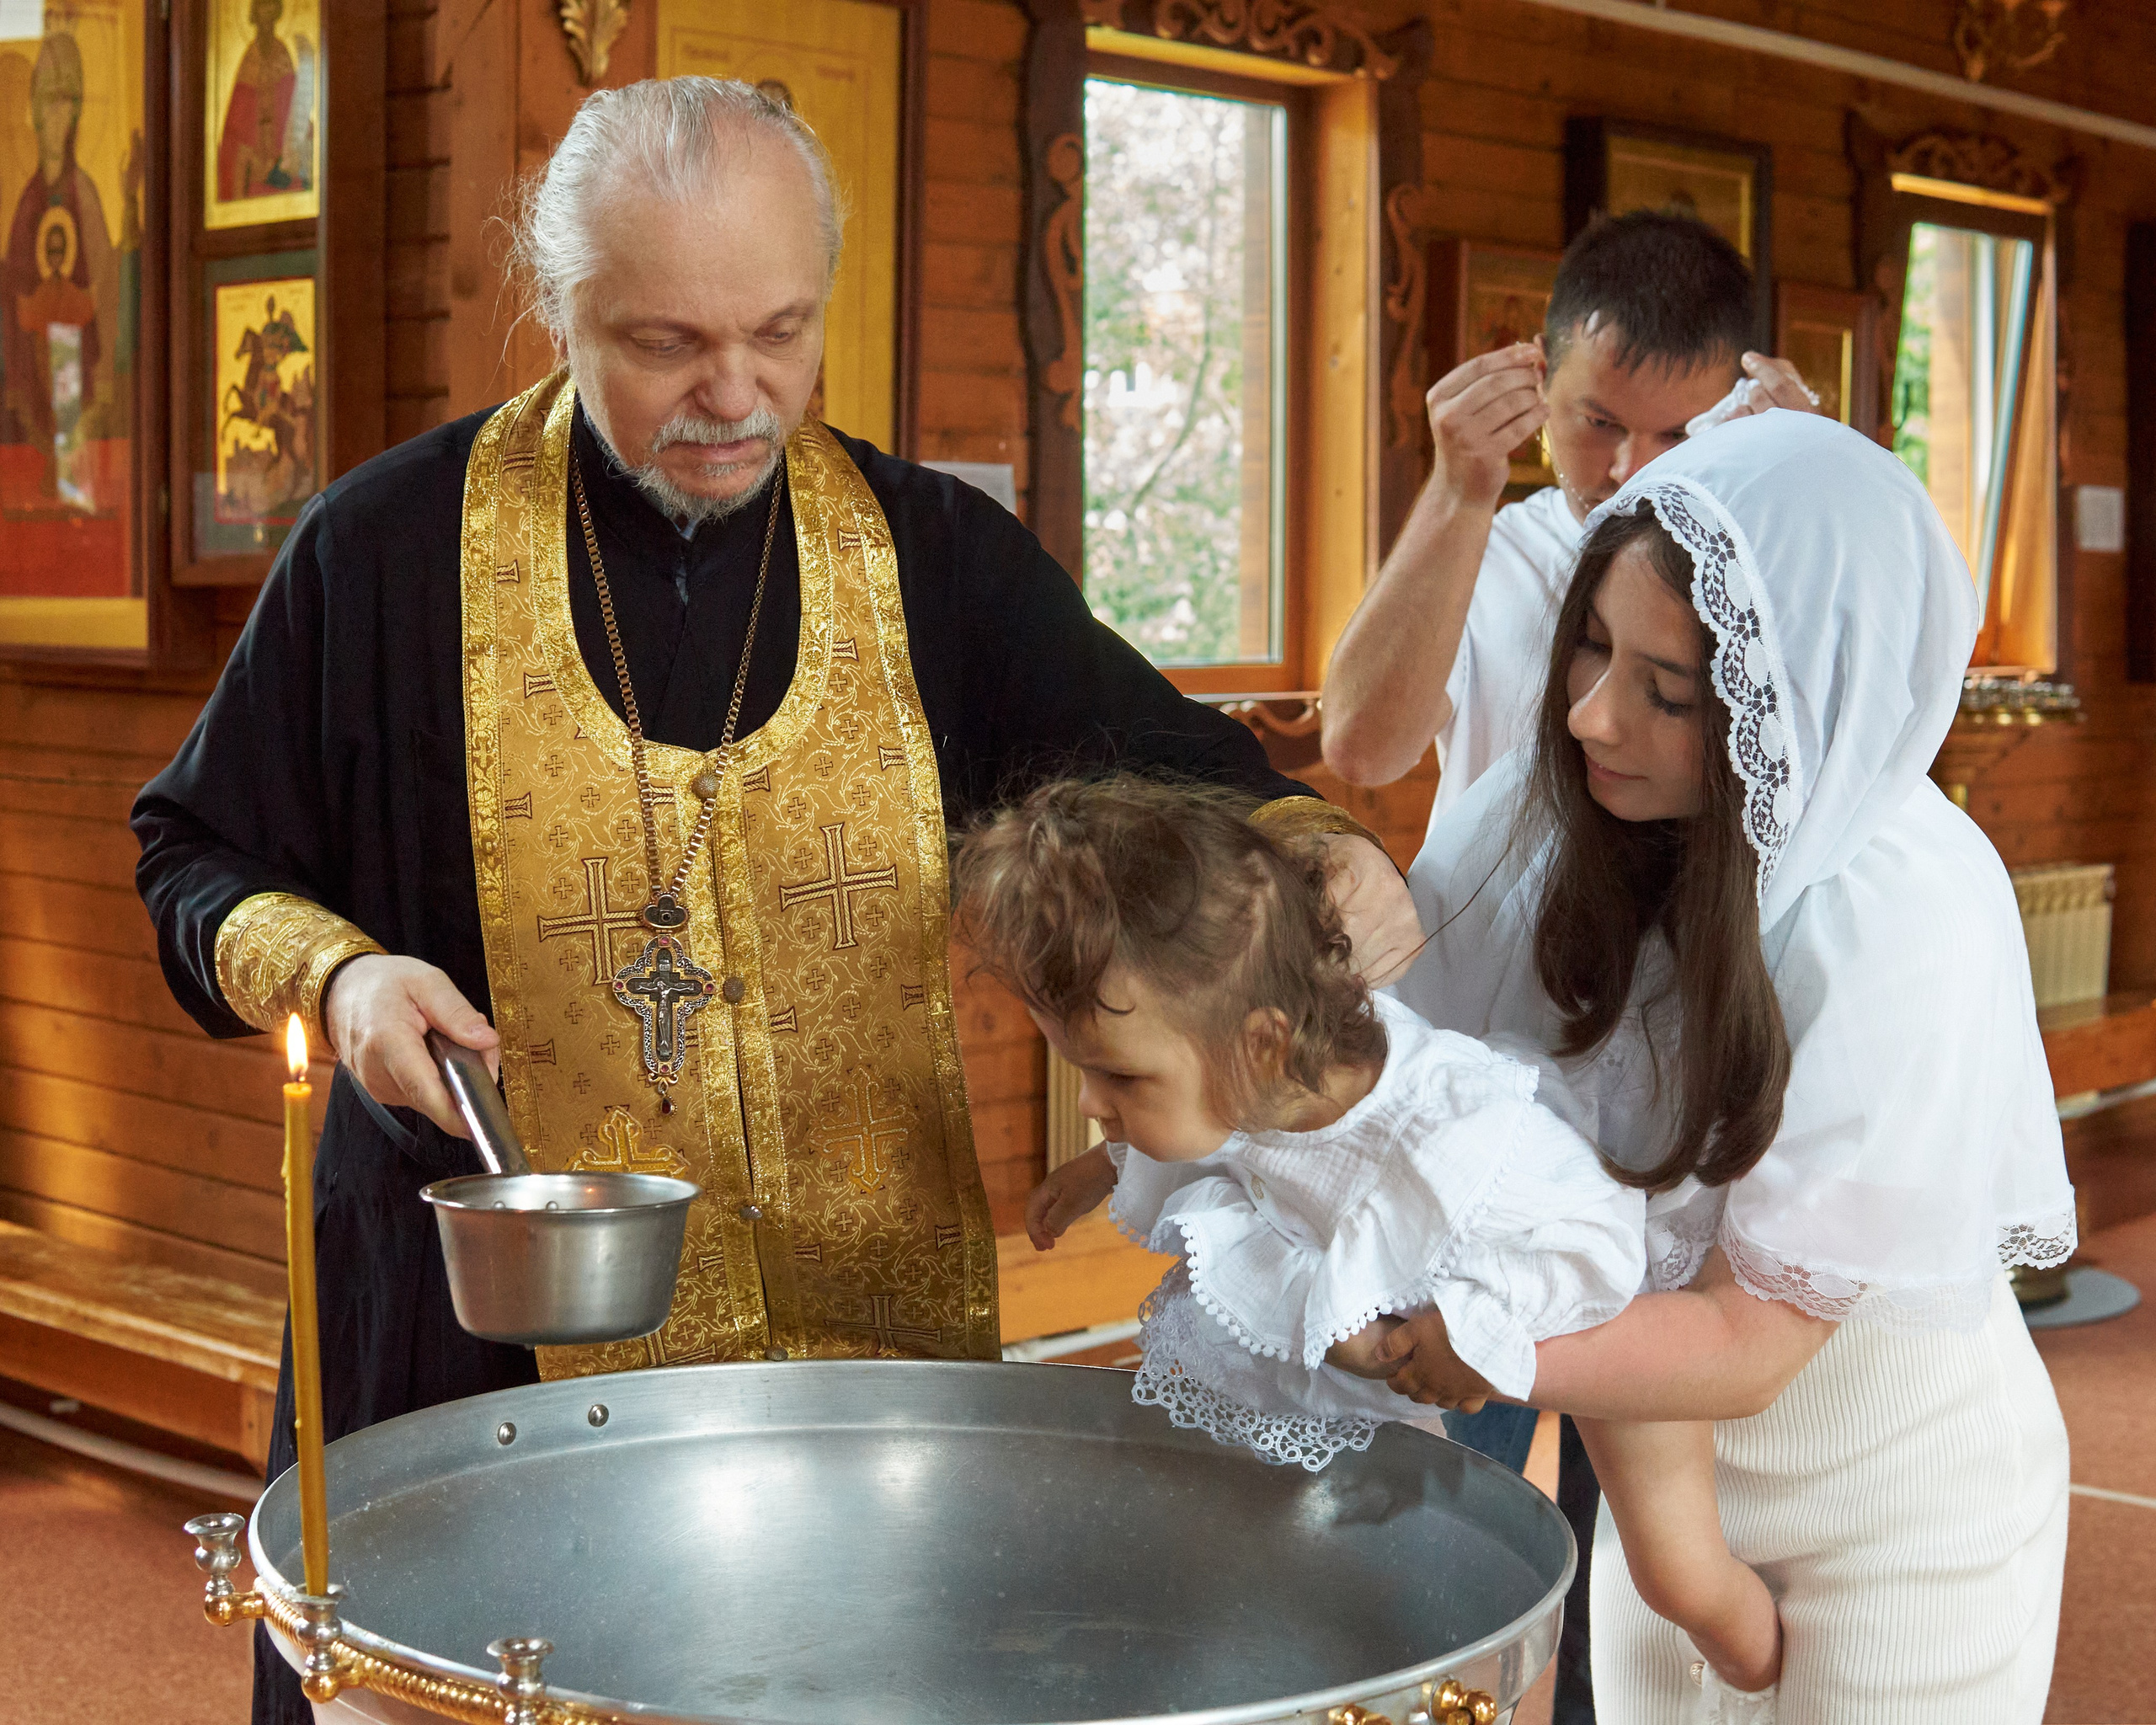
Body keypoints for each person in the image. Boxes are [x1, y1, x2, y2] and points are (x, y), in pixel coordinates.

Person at [131, 77, 1417, 1725]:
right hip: (476, 1343)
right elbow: (190, 850)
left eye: (781, 331)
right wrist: (340, 977)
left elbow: (1165, 760)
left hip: (850, 1370)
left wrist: (1323, 845)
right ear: (560, 309)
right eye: (666, 342)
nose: (734, 393)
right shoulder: (380, 554)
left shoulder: (931, 556)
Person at [1385, 411, 2075, 1722]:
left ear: (1797, 697)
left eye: (1670, 693)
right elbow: (1408, 1078)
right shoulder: (1554, 817)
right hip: (1674, 1487)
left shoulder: (1898, 907)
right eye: (1589, 646)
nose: (1593, 715)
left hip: (1900, 1516)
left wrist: (1479, 1344)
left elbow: (1753, 1341)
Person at [964, 776, 1781, 1704]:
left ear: (1263, 1043)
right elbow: (1219, 1144)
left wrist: (1466, 1333)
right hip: (1401, 1330)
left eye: (1114, 1077)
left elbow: (1601, 1247)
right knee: (1343, 1529)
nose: (1087, 1101)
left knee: (1677, 1570)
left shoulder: (1459, 1141)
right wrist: (1104, 1164)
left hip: (1575, 1294)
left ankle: (1774, 1672)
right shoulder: (1255, 1063)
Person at [1321, 211, 1817, 828]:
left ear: (1740, 405)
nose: (1629, 469)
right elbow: (1361, 753)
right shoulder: (1484, 553)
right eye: (1601, 423)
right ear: (1541, 379)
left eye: (1678, 434)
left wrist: (1812, 486)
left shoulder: (1777, 564)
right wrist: (1458, 493)